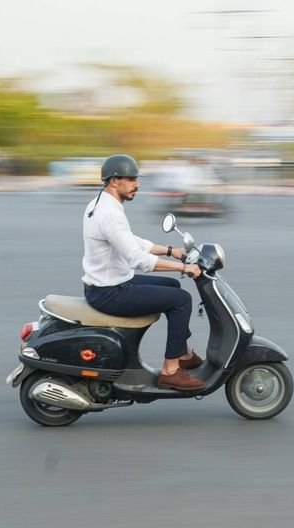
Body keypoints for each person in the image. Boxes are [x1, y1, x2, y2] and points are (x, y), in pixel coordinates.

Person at [82, 154, 205, 391]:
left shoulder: (103, 203)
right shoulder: (109, 214)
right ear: (114, 181)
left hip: (112, 282)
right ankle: (170, 371)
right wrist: (184, 267)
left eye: (136, 179)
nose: (137, 184)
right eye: (131, 179)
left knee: (173, 287)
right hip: (110, 292)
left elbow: (131, 241)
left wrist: (171, 250)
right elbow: (138, 259)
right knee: (181, 300)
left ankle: (183, 353)